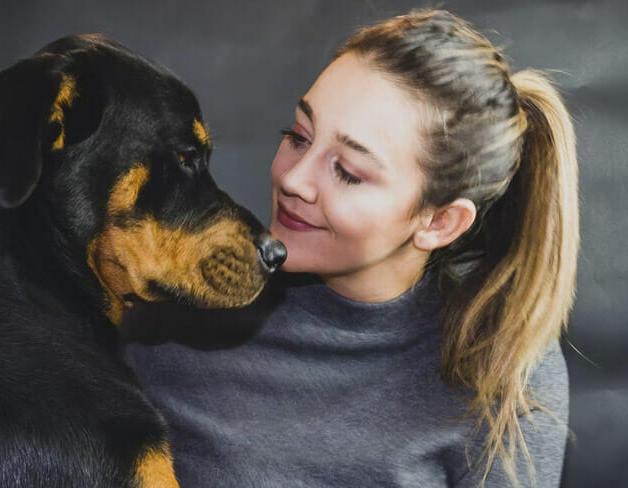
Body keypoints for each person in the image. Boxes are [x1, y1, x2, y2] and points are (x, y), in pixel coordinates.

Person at [122, 9, 578, 488]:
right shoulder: (171, 300)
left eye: (349, 172)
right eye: (298, 136)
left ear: (440, 222)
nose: (294, 180)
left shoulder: (506, 371)